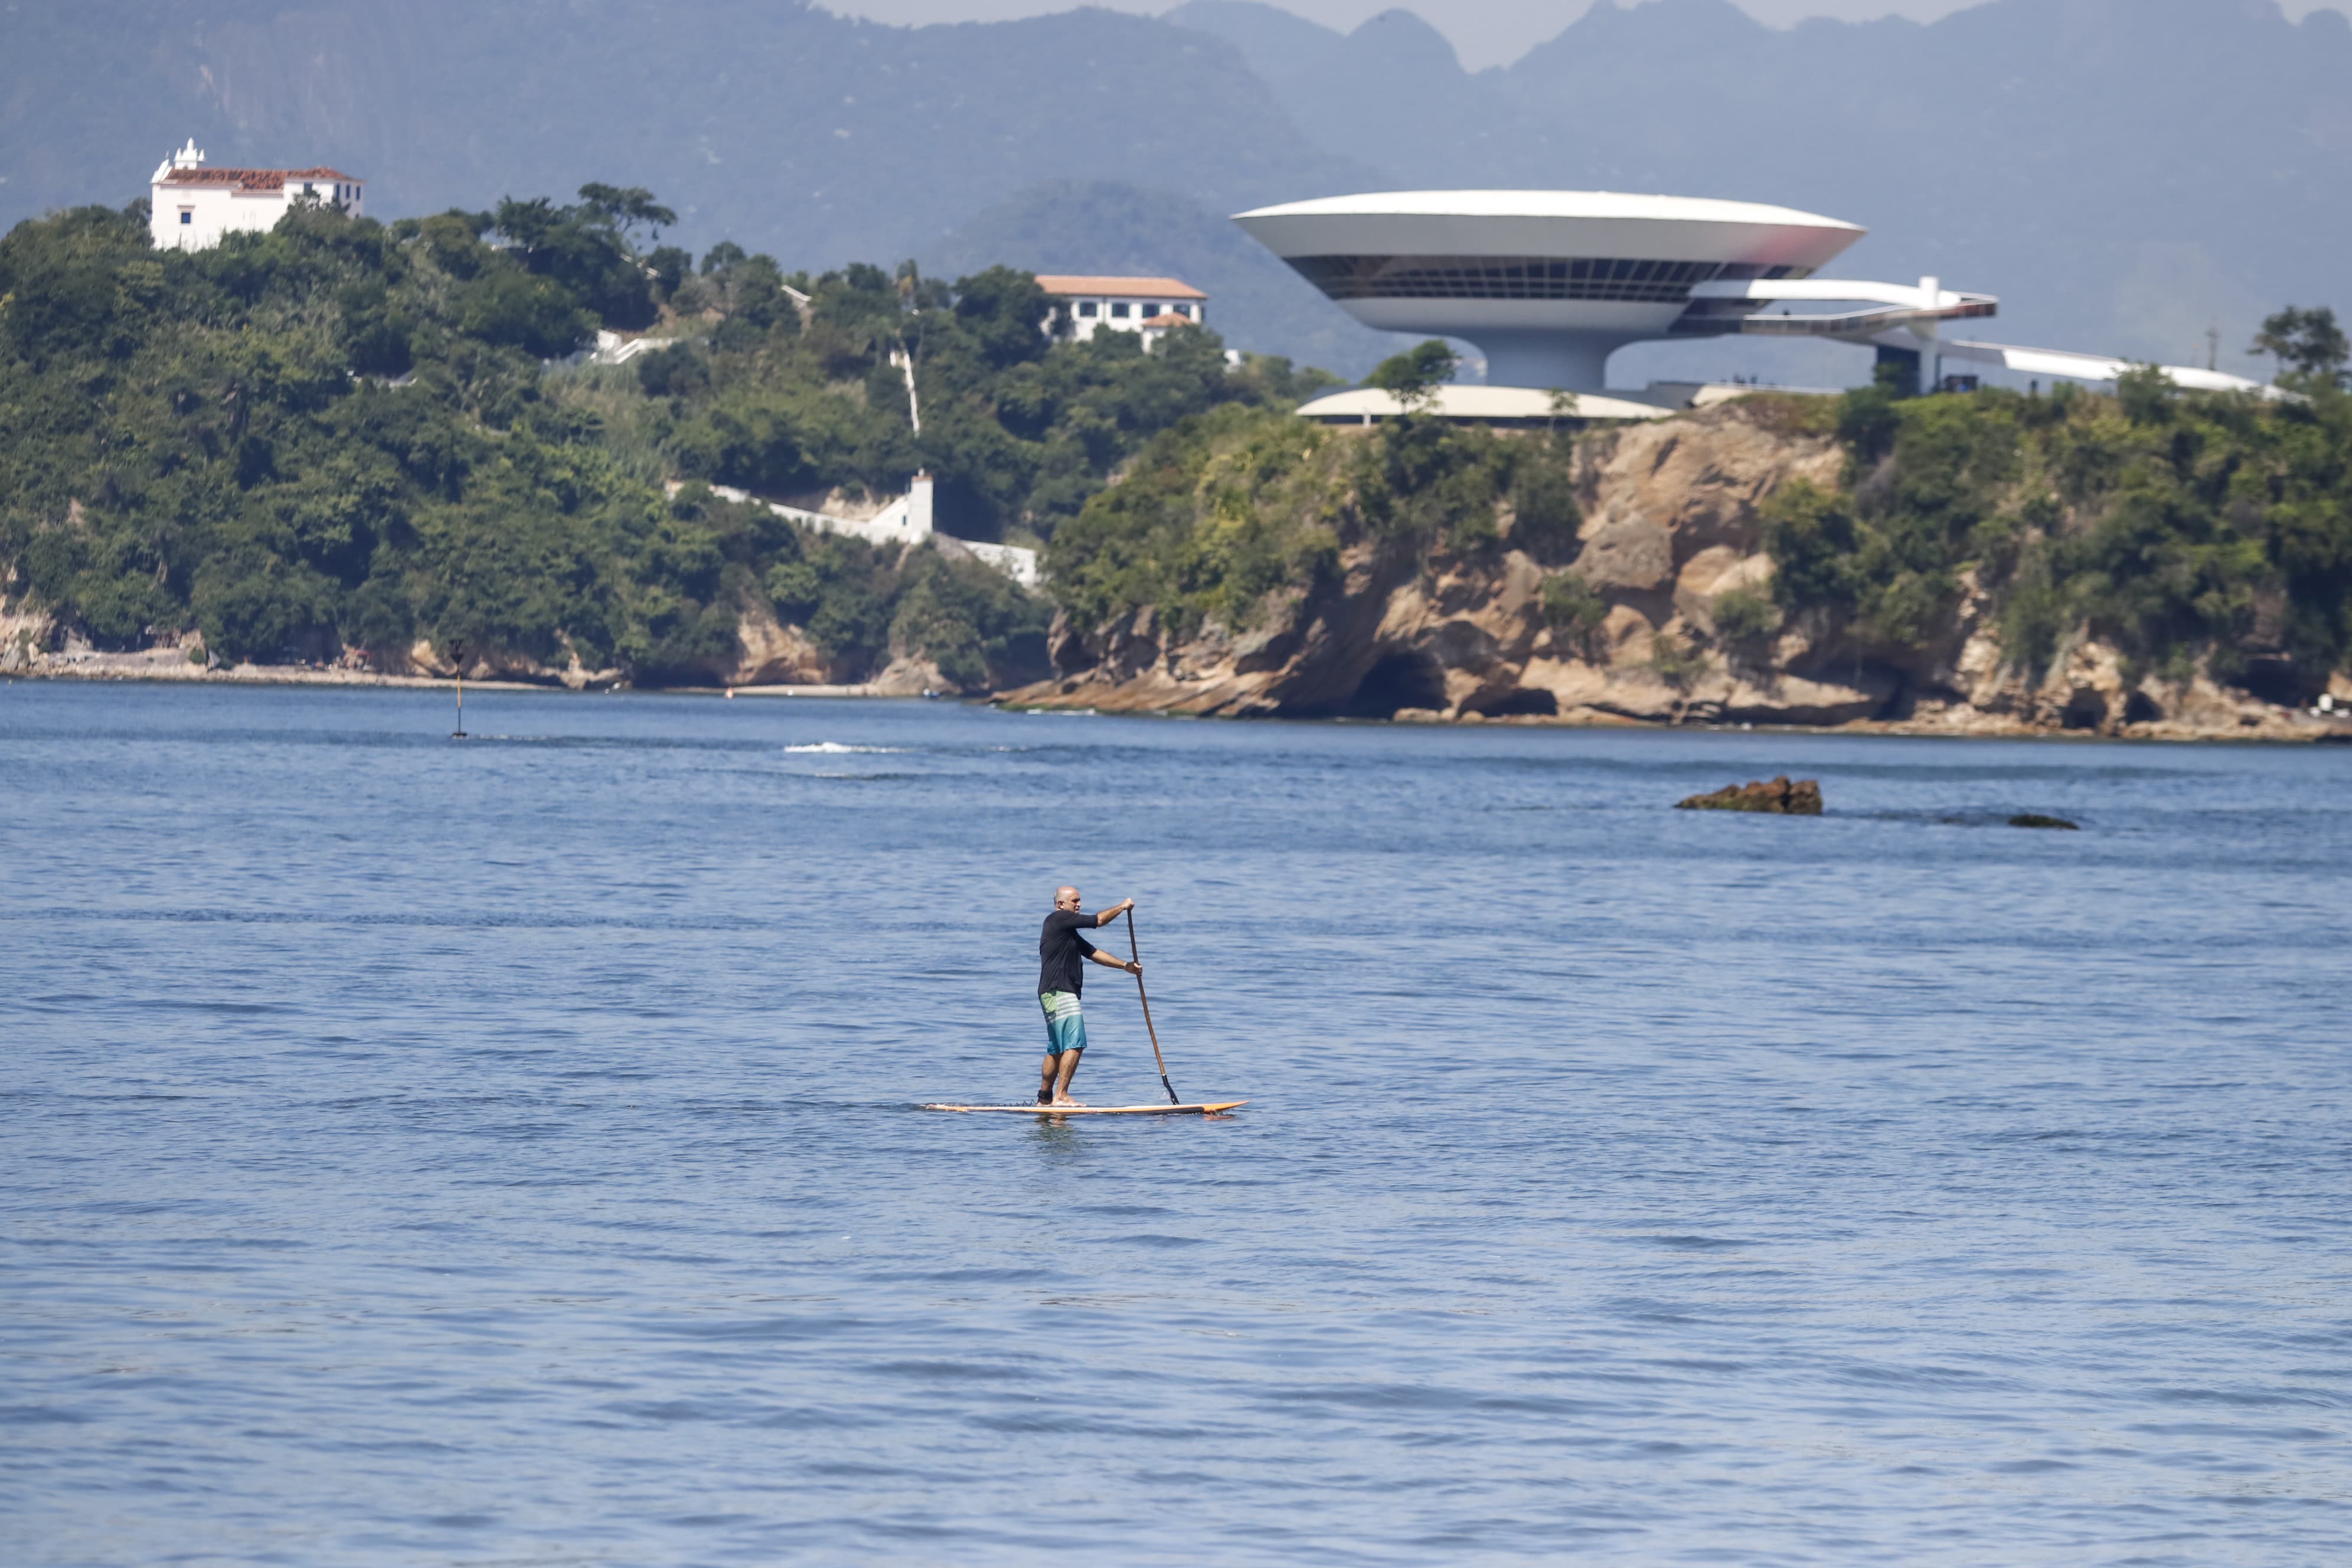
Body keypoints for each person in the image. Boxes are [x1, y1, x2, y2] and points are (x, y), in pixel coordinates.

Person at [1035, 886, 1140, 1106]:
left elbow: (1093, 953)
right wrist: (1122, 907)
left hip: (1050, 993)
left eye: (1080, 900)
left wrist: (1125, 966)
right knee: (1076, 1043)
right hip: (1061, 991)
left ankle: (1044, 1099)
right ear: (1061, 905)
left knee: (1056, 1048)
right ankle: (1061, 1096)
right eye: (1075, 901)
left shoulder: (1066, 932)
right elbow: (1099, 921)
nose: (1079, 904)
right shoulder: (1059, 919)